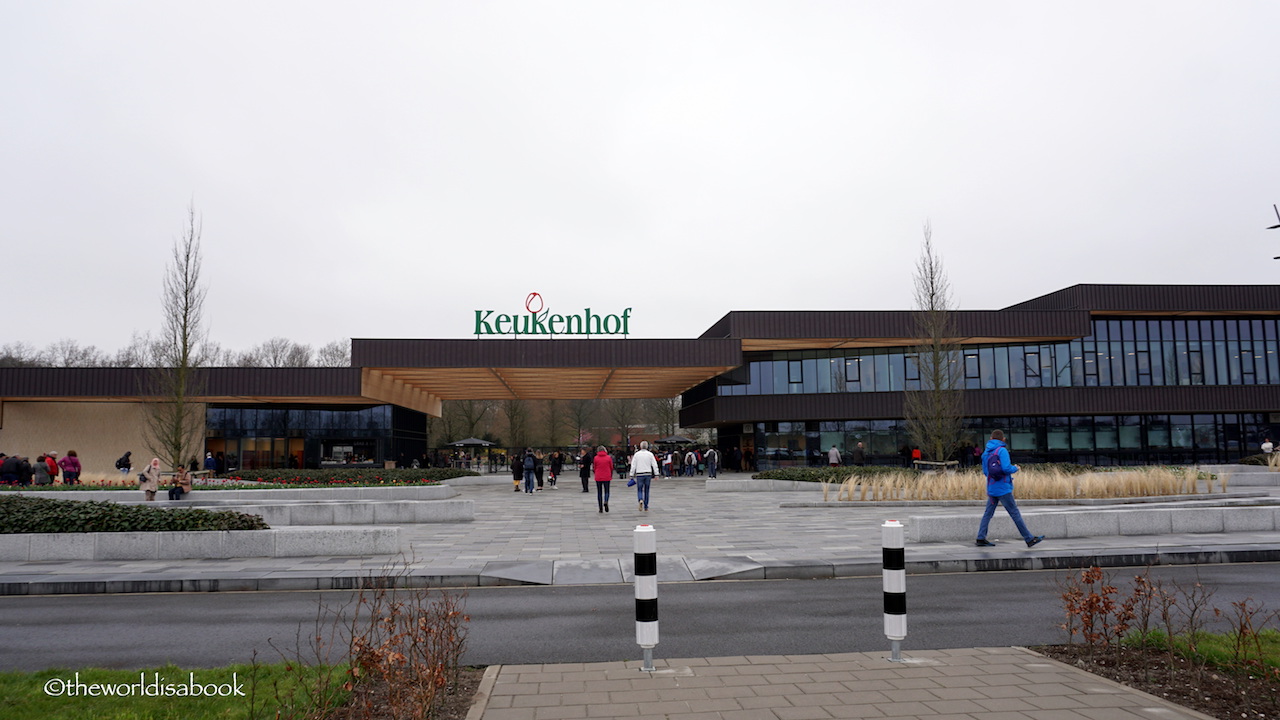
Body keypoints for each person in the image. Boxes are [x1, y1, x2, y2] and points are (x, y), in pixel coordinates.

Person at [976, 430, 1043, 548]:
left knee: (988, 513)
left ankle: (981, 538)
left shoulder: (986, 453)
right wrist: (1015, 468)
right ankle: (1029, 538)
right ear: (1003, 439)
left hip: (992, 487)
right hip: (1003, 488)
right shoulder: (1002, 450)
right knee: (1014, 513)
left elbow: (986, 472)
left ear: (991, 438)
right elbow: (1006, 468)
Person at [629, 440, 660, 512]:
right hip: (648, 473)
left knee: (639, 489)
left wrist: (631, 474)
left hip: (639, 474)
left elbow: (633, 465)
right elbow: (654, 464)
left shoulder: (637, 454)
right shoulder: (650, 454)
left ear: (640, 446)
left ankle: (640, 499)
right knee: (647, 490)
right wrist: (656, 474)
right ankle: (646, 506)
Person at [592, 445, 614, 513]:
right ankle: (606, 501)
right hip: (607, 476)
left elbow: (594, 467)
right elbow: (611, 467)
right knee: (607, 491)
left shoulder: (596, 458)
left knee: (599, 492)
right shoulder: (608, 458)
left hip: (598, 476)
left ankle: (600, 508)